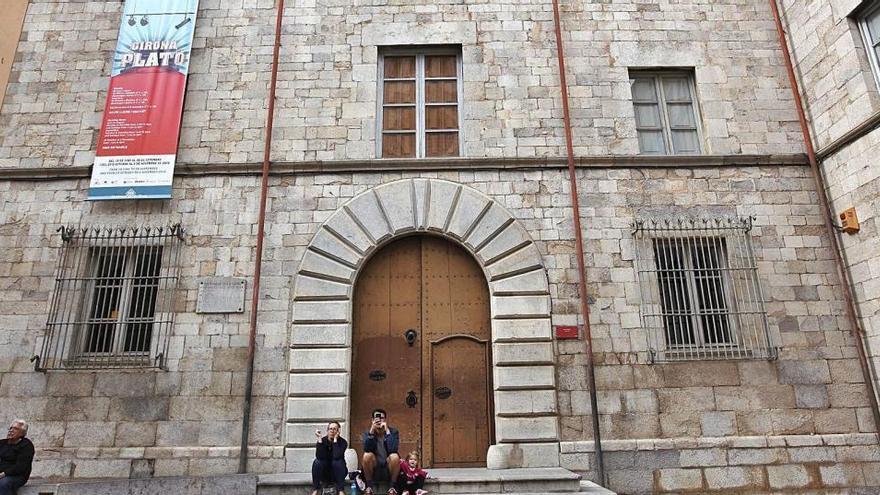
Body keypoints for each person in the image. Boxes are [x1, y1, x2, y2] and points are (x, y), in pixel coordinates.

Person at [361, 409, 400, 495]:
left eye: (381, 418)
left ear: (385, 420)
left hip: (388, 469)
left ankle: (392, 487)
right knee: (367, 455)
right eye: (376, 418)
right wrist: (371, 431)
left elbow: (393, 449)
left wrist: (387, 432)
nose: (379, 421)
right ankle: (369, 487)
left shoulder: (393, 432)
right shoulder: (367, 433)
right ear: (372, 420)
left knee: (394, 456)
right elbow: (367, 448)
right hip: (374, 470)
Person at [311, 421, 348, 495]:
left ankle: (341, 490)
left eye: (335, 429)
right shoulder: (323, 440)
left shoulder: (343, 442)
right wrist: (319, 439)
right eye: (330, 429)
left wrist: (335, 441)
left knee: (338, 461)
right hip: (324, 473)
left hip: (337, 472)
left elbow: (337, 456)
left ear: (338, 431)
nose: (332, 431)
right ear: (327, 431)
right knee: (317, 462)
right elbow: (319, 457)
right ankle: (316, 489)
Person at [0, 419, 34, 495]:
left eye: (15, 429)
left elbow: (20, 467)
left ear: (23, 433)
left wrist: (3, 474)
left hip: (17, 476)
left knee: (3, 483)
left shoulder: (26, 445)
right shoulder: (2, 443)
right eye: (11, 428)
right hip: (1, 473)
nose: (11, 430)